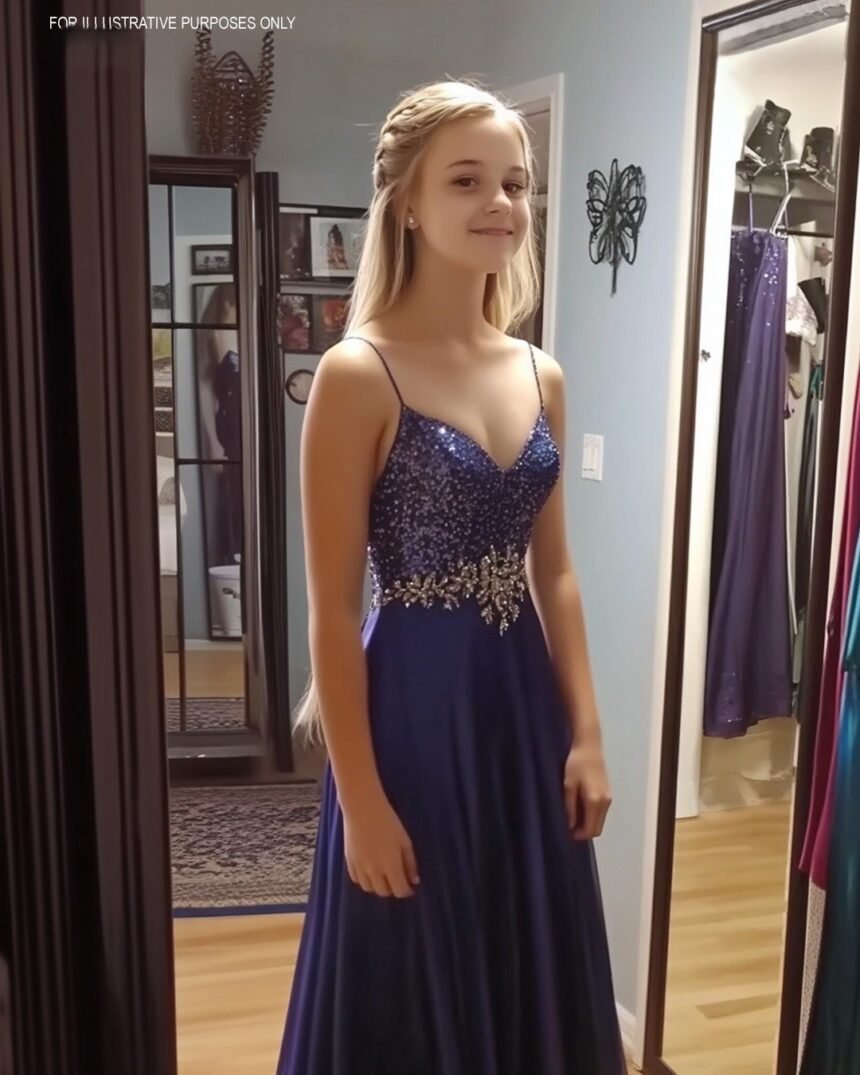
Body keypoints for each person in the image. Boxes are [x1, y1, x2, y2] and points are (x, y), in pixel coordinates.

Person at [277, 77, 626, 1074]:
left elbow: (555, 573)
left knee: (526, 954)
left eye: (514, 183)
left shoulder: (540, 373)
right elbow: (333, 612)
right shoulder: (357, 373)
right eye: (466, 180)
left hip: (521, 706)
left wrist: (588, 734)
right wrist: (359, 798)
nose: (500, 203)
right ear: (407, 205)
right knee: (411, 961)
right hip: (412, 713)